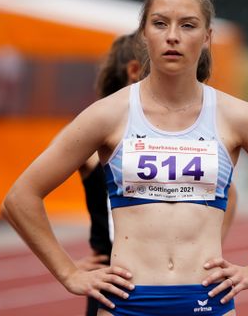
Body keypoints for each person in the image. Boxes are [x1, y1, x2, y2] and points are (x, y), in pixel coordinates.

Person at [1, 0, 248, 315]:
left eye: (188, 25)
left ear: (207, 37)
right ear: (144, 34)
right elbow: (20, 198)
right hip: (128, 303)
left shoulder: (237, 117)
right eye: (160, 23)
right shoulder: (107, 115)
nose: (173, 36)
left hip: (207, 303)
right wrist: (67, 273)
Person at [76, 32, 239, 316]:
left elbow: (229, 193)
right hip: (115, 285)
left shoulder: (185, 132)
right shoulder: (99, 134)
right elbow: (23, 196)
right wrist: (69, 271)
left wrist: (205, 248)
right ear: (135, 71)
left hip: (186, 289)